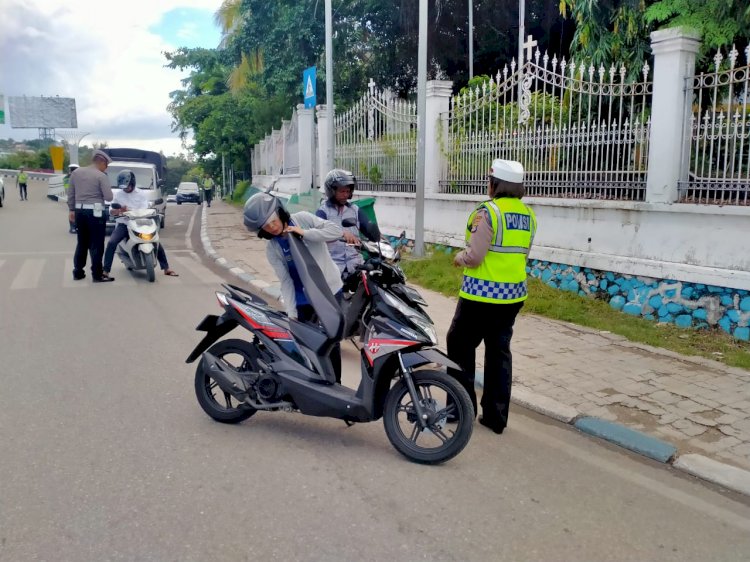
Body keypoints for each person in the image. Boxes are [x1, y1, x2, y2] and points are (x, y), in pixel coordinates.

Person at [446, 159, 537, 434]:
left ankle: (460, 409)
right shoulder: (529, 215)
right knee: (499, 354)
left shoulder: (487, 213)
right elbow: (523, 254)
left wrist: (459, 258)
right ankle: (496, 417)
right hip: (512, 297)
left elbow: (475, 257)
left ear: (495, 184)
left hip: (480, 296)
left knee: (459, 345)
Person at [243, 192, 344, 382]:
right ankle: (316, 384)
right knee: (307, 344)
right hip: (303, 299)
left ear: (279, 212)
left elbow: (335, 231)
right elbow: (286, 281)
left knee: (331, 341)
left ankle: (335, 383)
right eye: (266, 226)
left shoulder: (303, 219)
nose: (272, 227)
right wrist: (291, 314)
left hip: (328, 293)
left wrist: (305, 233)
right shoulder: (273, 248)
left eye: (273, 220)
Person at [103, 170, 179, 278]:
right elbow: (111, 210)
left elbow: (144, 208)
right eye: (124, 187)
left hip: (141, 222)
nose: (126, 189)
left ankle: (166, 268)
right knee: (111, 243)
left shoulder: (141, 194)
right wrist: (118, 210)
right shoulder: (118, 195)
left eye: (127, 186)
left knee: (155, 241)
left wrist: (132, 210)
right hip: (124, 224)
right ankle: (106, 271)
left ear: (132, 182)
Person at [315, 169, 379, 279]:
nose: (345, 195)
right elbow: (318, 235)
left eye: (348, 191)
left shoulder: (355, 210)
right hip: (333, 266)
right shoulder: (323, 212)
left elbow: (368, 227)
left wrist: (376, 234)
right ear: (332, 191)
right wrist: (341, 233)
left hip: (356, 265)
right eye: (342, 191)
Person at [67, 150, 114, 282]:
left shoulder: (76, 173)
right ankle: (97, 275)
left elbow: (71, 193)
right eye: (107, 165)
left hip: (79, 212)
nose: (107, 167)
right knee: (97, 244)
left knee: (82, 243)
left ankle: (78, 272)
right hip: (95, 213)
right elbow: (109, 197)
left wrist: (71, 210)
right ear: (102, 162)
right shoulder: (101, 176)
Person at [63, 164, 79, 233]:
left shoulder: (67, 177)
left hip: (75, 198)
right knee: (72, 212)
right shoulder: (67, 178)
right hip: (73, 198)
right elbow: (67, 189)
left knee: (74, 212)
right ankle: (72, 227)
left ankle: (74, 227)